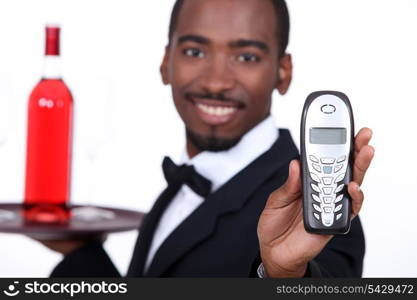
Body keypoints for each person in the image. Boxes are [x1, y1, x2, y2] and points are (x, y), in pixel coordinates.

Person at [43, 0, 374, 277]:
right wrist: (80, 252)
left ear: (283, 72)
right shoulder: (178, 188)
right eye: (194, 51)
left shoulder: (318, 214)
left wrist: (283, 274)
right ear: (165, 63)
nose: (216, 83)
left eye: (246, 57)